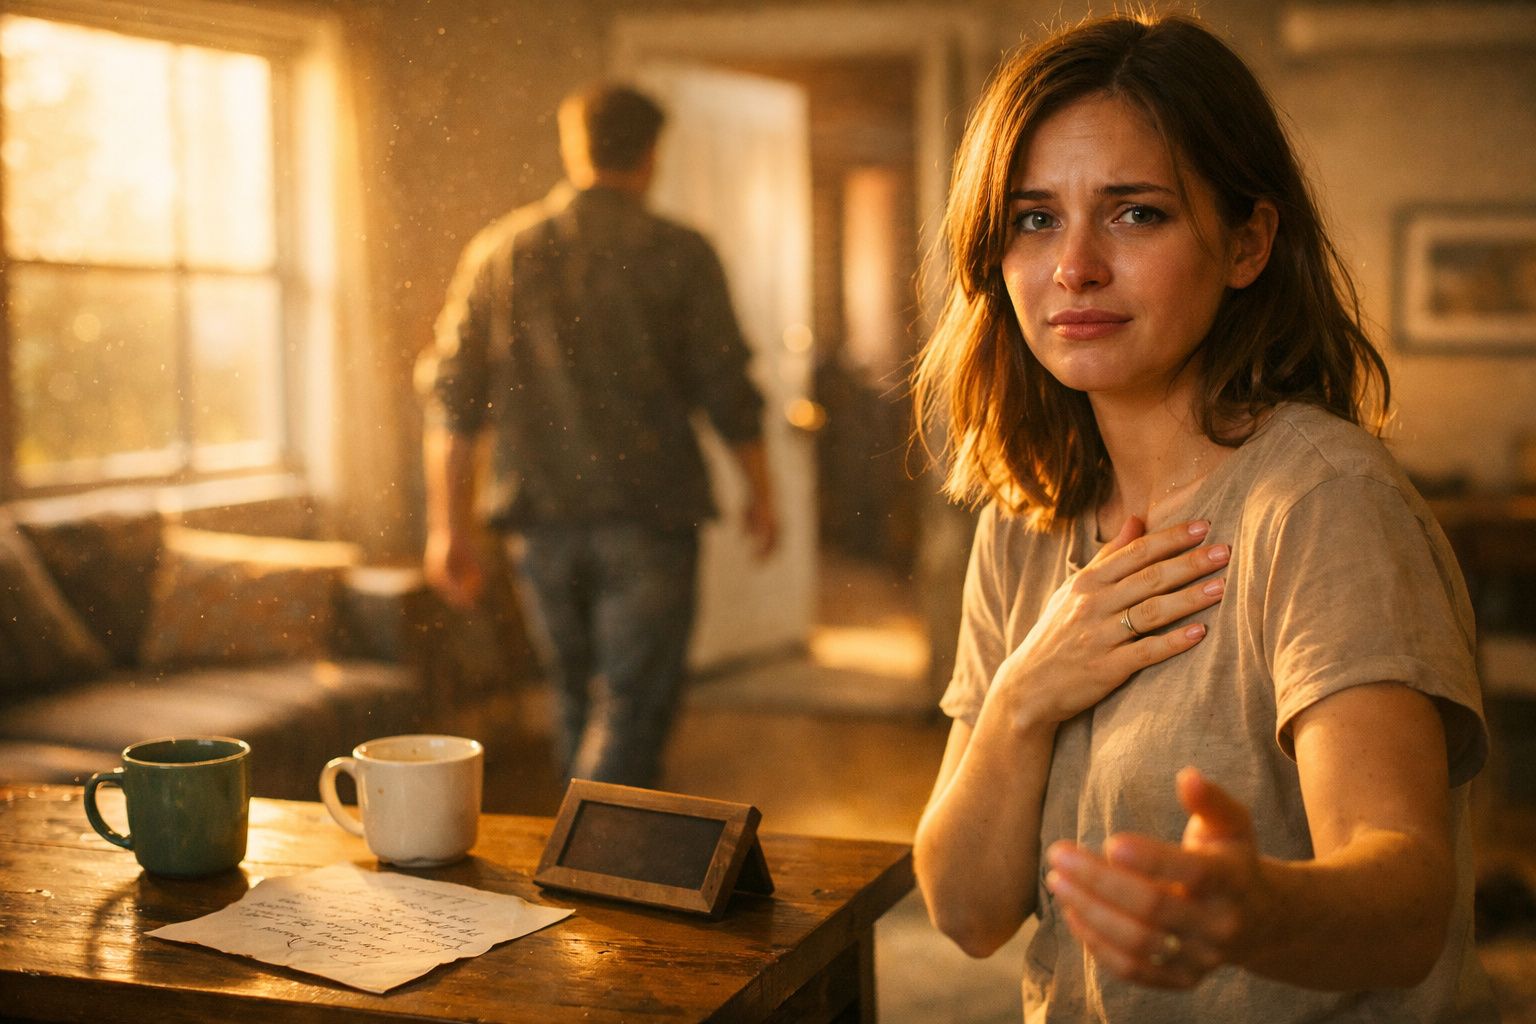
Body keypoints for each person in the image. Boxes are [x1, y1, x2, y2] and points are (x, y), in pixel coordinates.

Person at [910, 12, 1494, 1022]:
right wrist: (1021, 699)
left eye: (1136, 214)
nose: (1075, 267)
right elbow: (964, 911)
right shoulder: (1026, 516)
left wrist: (1249, 909)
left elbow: (1408, 908)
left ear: (1247, 242)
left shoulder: (1321, 500)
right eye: (1035, 219)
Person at [420, 82, 778, 789]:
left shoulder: (501, 252)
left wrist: (446, 528)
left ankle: (585, 869)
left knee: (575, 700)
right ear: (651, 153)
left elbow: (451, 402)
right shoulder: (681, 253)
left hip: (540, 524)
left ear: (572, 146)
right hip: (650, 518)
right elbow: (728, 389)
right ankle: (605, 872)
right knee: (632, 713)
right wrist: (760, 491)